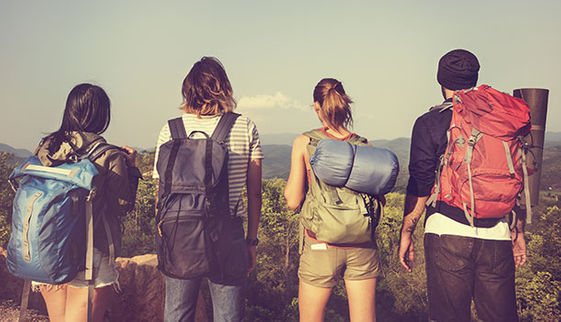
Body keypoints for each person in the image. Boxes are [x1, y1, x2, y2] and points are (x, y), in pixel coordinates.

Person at [398, 49, 527, 321]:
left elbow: (420, 183)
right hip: (498, 232)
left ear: (440, 80)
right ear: (474, 78)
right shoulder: (502, 120)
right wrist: (518, 232)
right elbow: (518, 175)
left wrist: (406, 231)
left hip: (447, 231)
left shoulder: (430, 122)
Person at [153, 56, 263, 322]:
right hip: (228, 234)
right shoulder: (244, 126)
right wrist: (251, 241)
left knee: (177, 314)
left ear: (187, 89)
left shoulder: (170, 130)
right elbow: (255, 193)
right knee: (227, 317)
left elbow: (161, 194)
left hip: (180, 233)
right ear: (224, 87)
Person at [33, 83, 140, 322]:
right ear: (102, 115)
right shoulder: (109, 154)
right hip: (90, 253)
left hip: (48, 246)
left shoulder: (46, 148)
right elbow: (121, 206)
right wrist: (132, 168)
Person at [284, 78, 380, 322]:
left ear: (317, 107)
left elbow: (293, 201)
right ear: (344, 104)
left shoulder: (305, 143)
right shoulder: (365, 145)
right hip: (362, 246)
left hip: (320, 246)